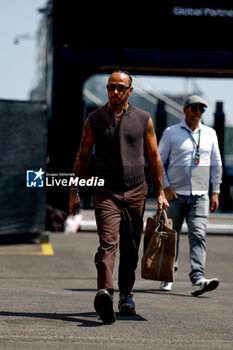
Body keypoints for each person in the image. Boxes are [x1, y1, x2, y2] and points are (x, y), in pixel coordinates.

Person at [69, 70, 168, 324]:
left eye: (120, 88)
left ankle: (126, 293)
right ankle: (105, 292)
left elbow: (154, 157)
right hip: (107, 192)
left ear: (130, 91)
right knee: (107, 242)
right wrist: (73, 190)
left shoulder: (144, 119)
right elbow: (82, 154)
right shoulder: (94, 119)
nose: (115, 92)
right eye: (111, 87)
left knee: (131, 247)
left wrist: (160, 194)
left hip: (136, 191)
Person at [158, 95, 222, 296]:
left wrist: (216, 192)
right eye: (194, 108)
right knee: (170, 237)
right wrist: (165, 187)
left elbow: (216, 164)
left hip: (201, 196)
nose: (198, 113)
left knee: (198, 236)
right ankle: (167, 276)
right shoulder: (171, 132)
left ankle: (198, 279)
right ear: (185, 110)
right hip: (175, 195)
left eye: (201, 109)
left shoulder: (210, 133)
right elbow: (159, 161)